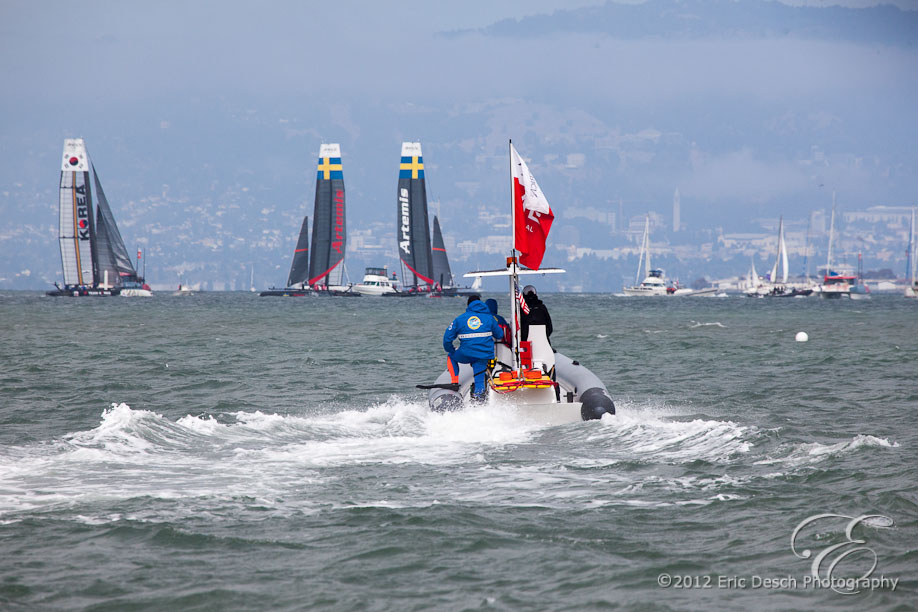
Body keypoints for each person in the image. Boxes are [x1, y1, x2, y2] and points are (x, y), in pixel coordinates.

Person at [443, 294, 506, 401]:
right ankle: (479, 402)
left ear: (468, 305)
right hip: (483, 355)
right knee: (479, 380)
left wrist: (450, 349)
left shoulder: (460, 319)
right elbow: (500, 335)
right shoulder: (489, 318)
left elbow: (447, 339)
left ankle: (454, 382)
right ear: (481, 304)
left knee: (451, 356)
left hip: (465, 354)